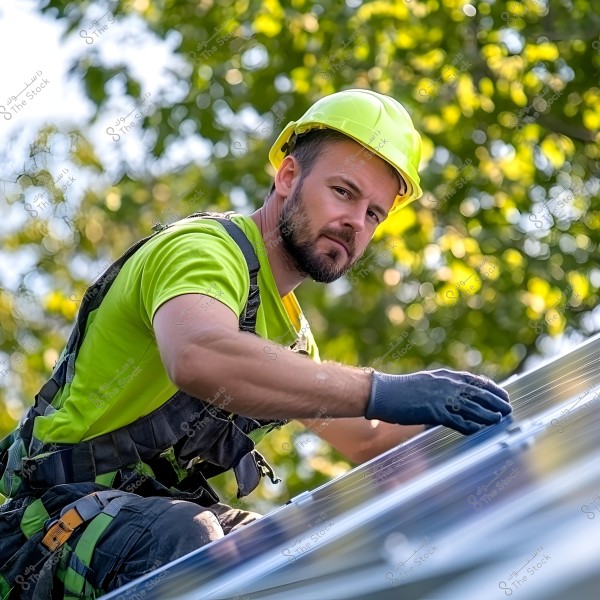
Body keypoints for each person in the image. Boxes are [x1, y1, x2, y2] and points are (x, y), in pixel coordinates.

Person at [0, 89, 511, 598]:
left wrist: (507, 437)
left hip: (131, 529)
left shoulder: (289, 338)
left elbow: (372, 439)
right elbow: (200, 354)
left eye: (375, 213)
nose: (356, 222)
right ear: (288, 176)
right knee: (194, 541)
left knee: (291, 552)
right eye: (343, 192)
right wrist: (381, 388)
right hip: (35, 530)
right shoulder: (203, 251)